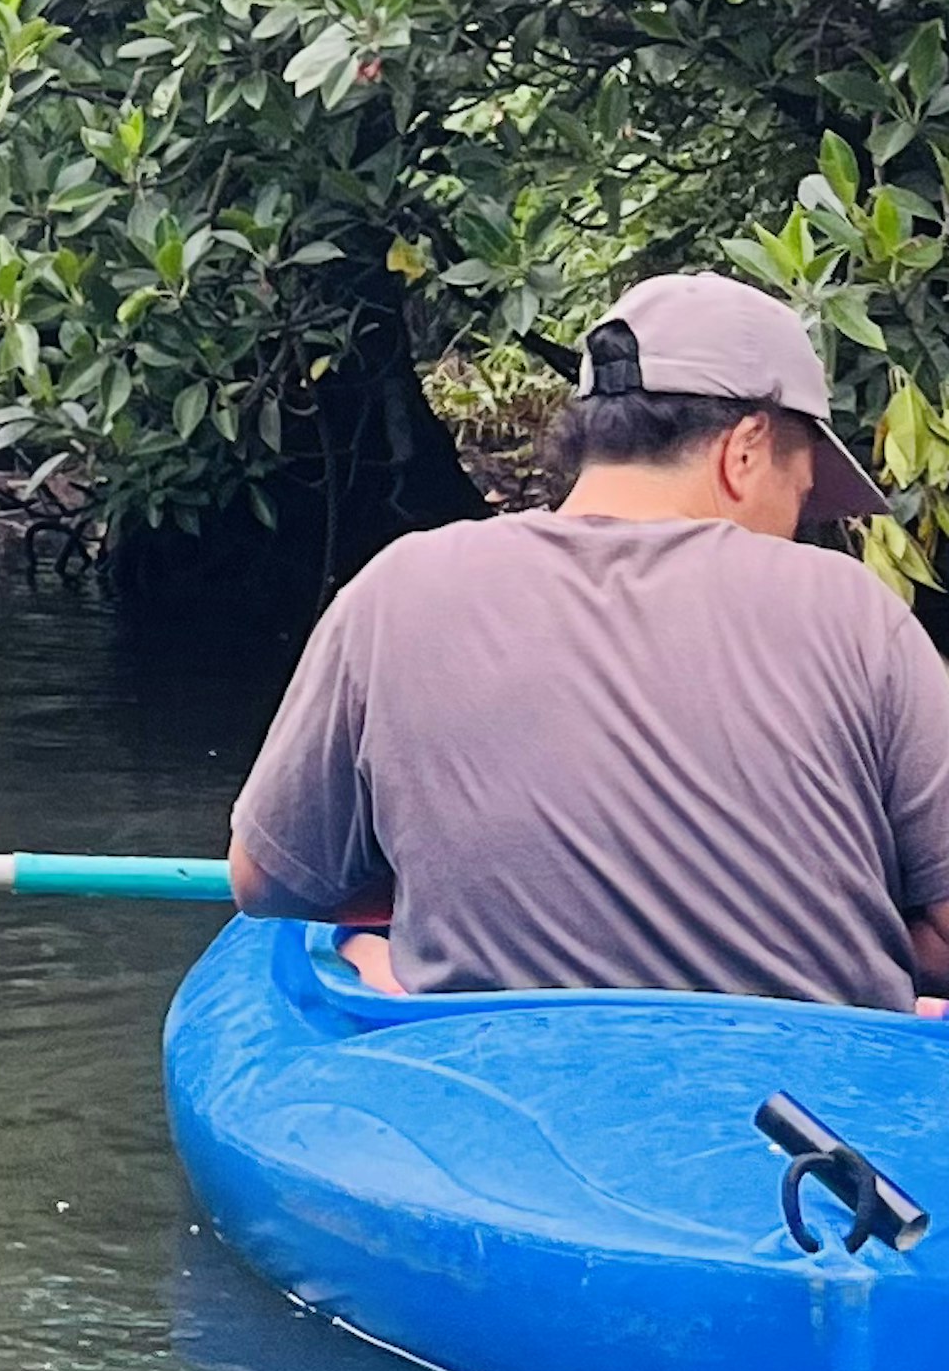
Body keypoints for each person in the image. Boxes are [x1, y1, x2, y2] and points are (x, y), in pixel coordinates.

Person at [228, 267, 949, 1008]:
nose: (800, 525)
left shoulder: (395, 587)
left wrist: (412, 910)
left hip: (491, 1079)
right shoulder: (856, 611)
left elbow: (265, 879)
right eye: (801, 492)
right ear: (745, 449)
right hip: (808, 1100)